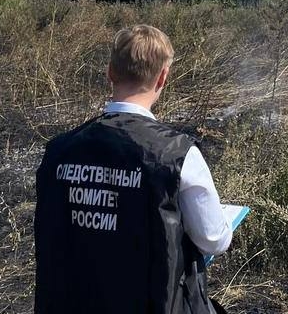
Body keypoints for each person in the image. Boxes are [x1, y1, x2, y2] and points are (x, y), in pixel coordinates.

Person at [34, 25, 232, 314]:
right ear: (162, 77)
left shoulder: (57, 151)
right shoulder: (178, 154)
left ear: (110, 72)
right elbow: (214, 239)